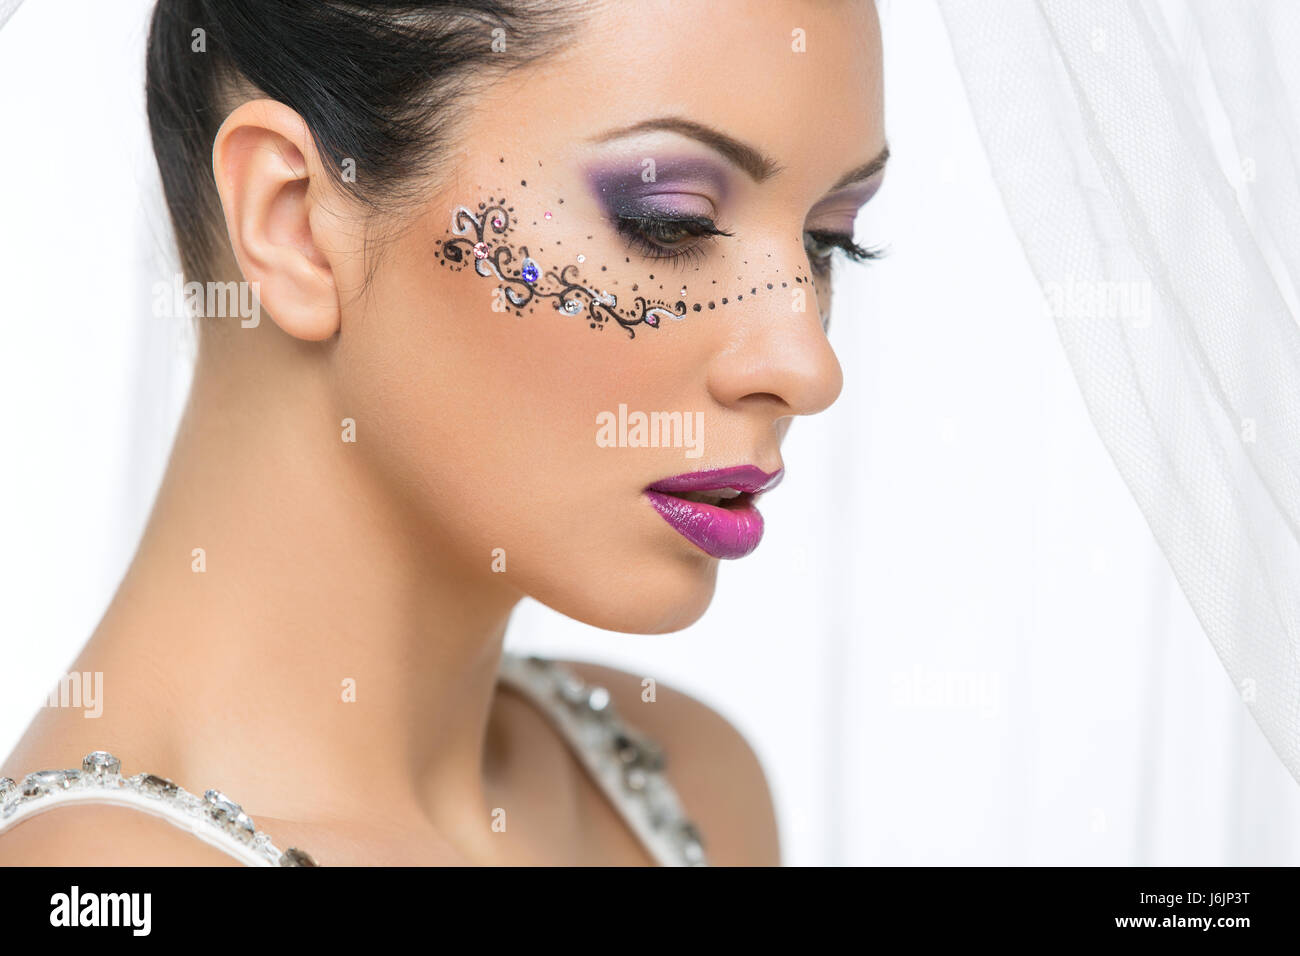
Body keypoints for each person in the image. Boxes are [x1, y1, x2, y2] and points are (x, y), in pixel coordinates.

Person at [0, 0, 886, 865]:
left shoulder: (690, 789)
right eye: (670, 225)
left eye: (827, 241)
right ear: (295, 219)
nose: (808, 366)